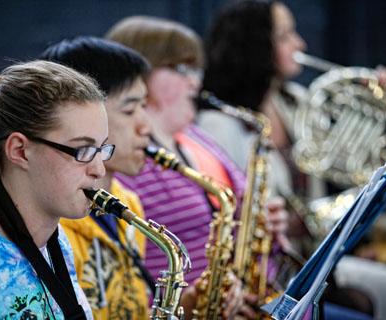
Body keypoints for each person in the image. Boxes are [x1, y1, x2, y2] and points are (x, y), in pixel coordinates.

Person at [197, 1, 386, 319]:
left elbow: (356, 160)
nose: (301, 44)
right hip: (276, 273)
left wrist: (384, 102)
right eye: (286, 36)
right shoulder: (220, 124)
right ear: (255, 46)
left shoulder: (295, 100)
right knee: (358, 306)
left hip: (320, 260)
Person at [104, 15, 289, 318]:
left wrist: (262, 220)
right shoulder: (127, 161)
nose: (196, 81)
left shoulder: (195, 137)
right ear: (139, 72)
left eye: (196, 69)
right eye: (182, 69)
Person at [0, 60, 109, 319]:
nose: (100, 170)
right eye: (82, 150)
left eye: (101, 149)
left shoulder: (55, 239)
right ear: (20, 150)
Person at [39, 36, 154, 319]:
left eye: (145, 106)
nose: (146, 126)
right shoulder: (51, 225)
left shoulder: (129, 204)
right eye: (129, 110)